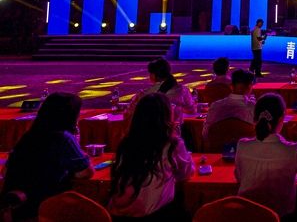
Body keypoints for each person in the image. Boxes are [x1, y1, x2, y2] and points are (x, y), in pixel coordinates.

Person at [1, 92, 94, 220]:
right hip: (44, 209)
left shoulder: (29, 136)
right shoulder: (63, 138)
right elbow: (85, 172)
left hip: (16, 209)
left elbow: (5, 171)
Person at [108, 93, 194, 220]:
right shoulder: (171, 145)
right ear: (166, 116)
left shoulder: (126, 143)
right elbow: (186, 173)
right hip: (154, 214)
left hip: (116, 215)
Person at [235, 94, 297, 216]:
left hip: (246, 215)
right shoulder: (293, 150)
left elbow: (239, 177)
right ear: (281, 119)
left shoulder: (242, 146)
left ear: (255, 118)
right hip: (280, 215)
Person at [132, 58, 197, 149]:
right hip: (176, 133)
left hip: (150, 133)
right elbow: (192, 110)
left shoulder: (147, 93)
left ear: (154, 75)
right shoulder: (183, 90)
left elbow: (133, 109)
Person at [203, 69, 256, 140]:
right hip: (245, 146)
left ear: (231, 86)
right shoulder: (253, 108)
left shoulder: (215, 105)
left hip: (218, 146)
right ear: (250, 87)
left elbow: (205, 134)